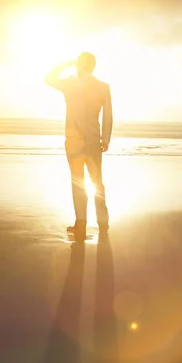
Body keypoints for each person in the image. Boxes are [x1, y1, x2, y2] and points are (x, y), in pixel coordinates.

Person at [45, 52, 113, 241]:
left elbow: (48, 78)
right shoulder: (103, 87)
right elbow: (108, 115)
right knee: (97, 182)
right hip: (93, 141)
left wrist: (64, 64)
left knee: (78, 183)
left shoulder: (70, 83)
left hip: (74, 142)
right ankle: (103, 223)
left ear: (78, 65)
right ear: (93, 66)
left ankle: (81, 223)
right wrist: (106, 138)